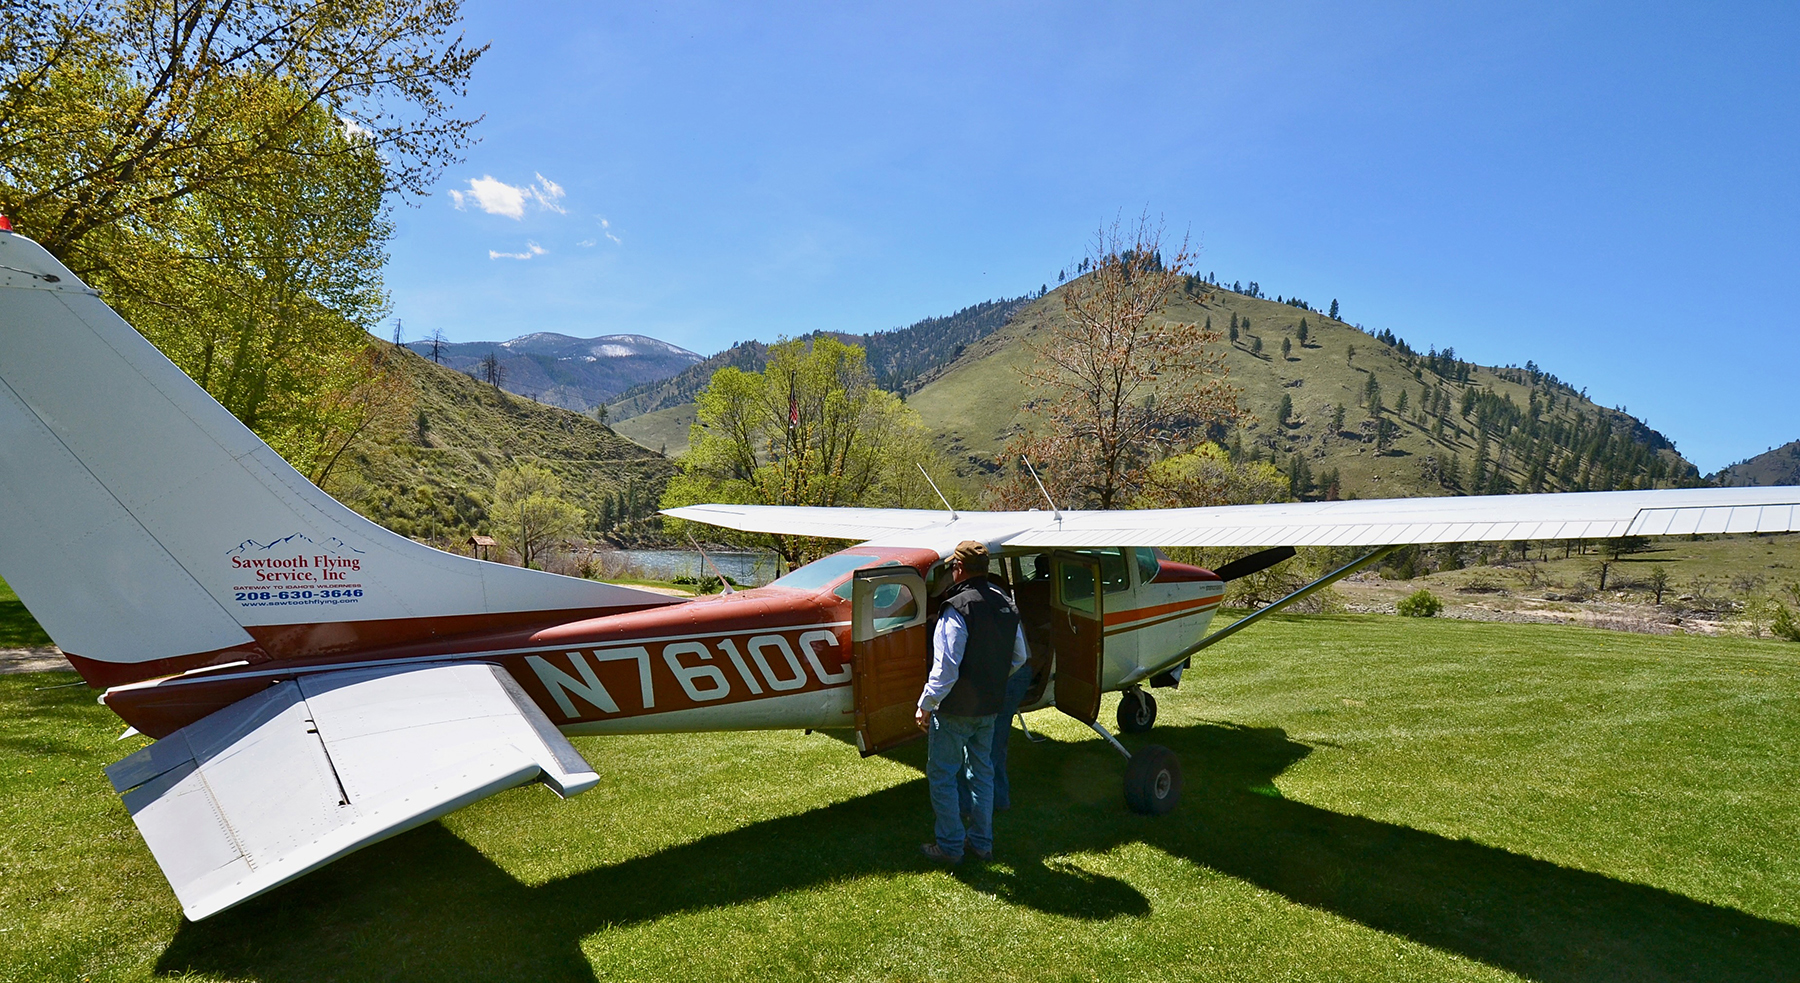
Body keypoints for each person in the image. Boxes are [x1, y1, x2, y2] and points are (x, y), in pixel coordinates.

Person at [916, 540, 1028, 865]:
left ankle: (950, 846)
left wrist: (926, 704)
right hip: (990, 707)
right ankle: (981, 843)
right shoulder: (1005, 602)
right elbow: (1020, 656)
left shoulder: (956, 607)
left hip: (955, 709)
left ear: (958, 568)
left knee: (942, 775)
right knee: (982, 774)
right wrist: (991, 679)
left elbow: (946, 668)